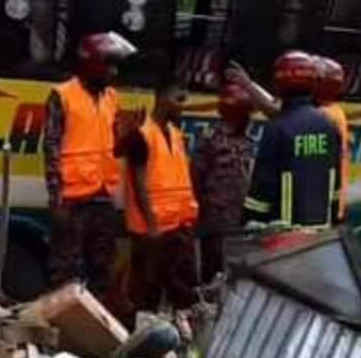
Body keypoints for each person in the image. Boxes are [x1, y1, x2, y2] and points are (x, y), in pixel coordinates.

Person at [43, 32, 137, 300]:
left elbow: (114, 147)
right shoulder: (63, 95)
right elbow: (50, 149)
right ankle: (61, 321)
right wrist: (56, 200)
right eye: (109, 65)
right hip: (72, 201)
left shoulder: (112, 97)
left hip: (102, 197)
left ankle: (95, 322)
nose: (114, 72)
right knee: (64, 272)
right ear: (91, 64)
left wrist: (130, 138)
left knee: (103, 269)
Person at [124, 75, 199, 313]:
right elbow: (138, 183)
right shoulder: (141, 135)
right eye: (179, 99)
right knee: (147, 292)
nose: (182, 105)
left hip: (178, 227)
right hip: (152, 231)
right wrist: (152, 225)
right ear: (163, 98)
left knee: (184, 290)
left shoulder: (175, 134)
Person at [244, 51, 342, 228]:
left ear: (278, 84)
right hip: (322, 233)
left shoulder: (277, 128)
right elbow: (335, 186)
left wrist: (248, 220)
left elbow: (262, 189)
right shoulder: (329, 125)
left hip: (286, 235)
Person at [191, 78, 255, 279]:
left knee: (235, 270)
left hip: (239, 218)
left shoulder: (247, 141)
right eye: (246, 113)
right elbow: (196, 177)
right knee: (213, 270)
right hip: (215, 218)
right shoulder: (211, 139)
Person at [314, 56, 350, 223]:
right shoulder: (334, 110)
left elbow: (279, 114)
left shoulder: (325, 115)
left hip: (324, 206)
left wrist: (248, 86)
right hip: (331, 203)